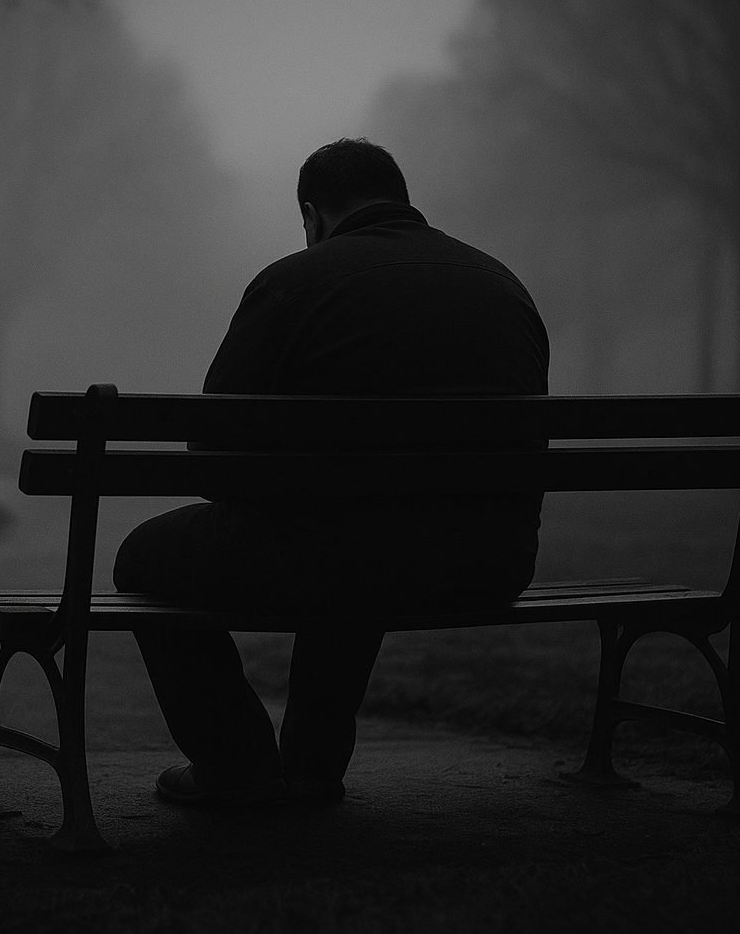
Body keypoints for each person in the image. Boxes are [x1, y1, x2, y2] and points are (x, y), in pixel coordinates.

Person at [113, 138, 550, 807]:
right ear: (401, 200)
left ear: (314, 215)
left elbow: (211, 454)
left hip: (341, 557)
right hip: (491, 560)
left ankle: (235, 762)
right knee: (361, 532)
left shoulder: (294, 282)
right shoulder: (502, 284)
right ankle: (313, 764)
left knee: (147, 556)